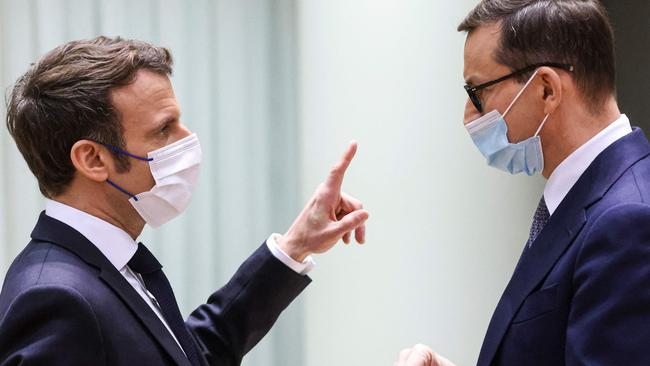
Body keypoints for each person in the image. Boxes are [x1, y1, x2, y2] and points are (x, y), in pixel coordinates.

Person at [0, 36, 369, 366]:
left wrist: (295, 246)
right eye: (164, 129)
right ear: (93, 159)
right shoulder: (55, 299)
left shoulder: (105, 264)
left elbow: (189, 356)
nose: (188, 138)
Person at [396, 0, 650, 365]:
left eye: (477, 92)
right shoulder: (585, 197)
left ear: (547, 88)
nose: (468, 116)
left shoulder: (627, 221)